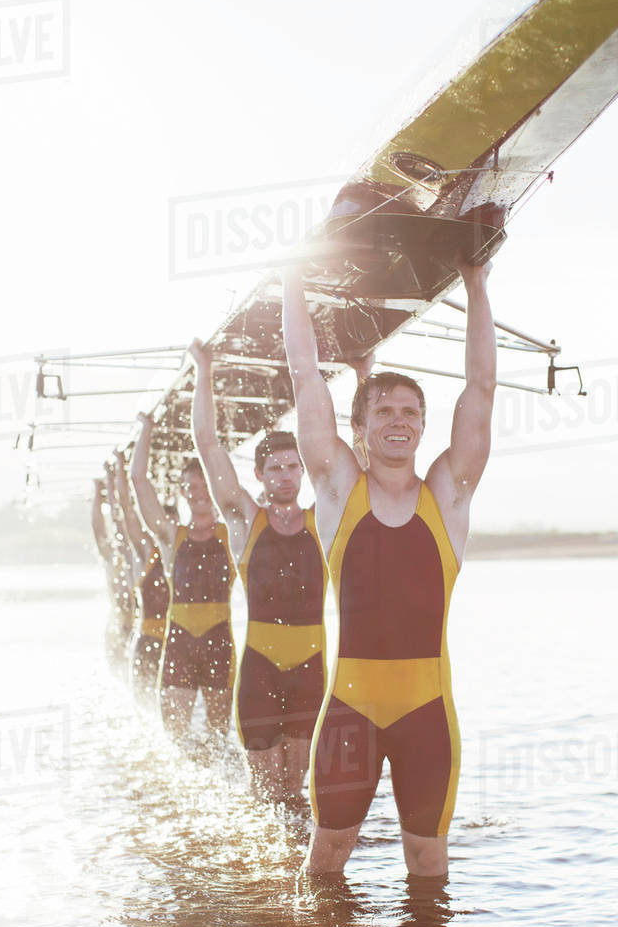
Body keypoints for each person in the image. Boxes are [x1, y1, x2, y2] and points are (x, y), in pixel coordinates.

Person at [282, 258, 496, 878]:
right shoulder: (336, 489)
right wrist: (292, 282)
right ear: (360, 428)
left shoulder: (449, 496)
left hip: (428, 713)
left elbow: (480, 389)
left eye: (410, 412)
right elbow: (304, 379)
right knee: (326, 857)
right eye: (384, 412)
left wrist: (476, 284)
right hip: (350, 712)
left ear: (425, 426)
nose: (398, 420)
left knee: (427, 861)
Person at [189, 338, 328, 801]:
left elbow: (362, 457)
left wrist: (364, 372)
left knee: (295, 790)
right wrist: (203, 370)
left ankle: (289, 872)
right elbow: (207, 445)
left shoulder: (322, 520)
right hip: (259, 671)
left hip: (311, 669)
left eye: (293, 467)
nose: (286, 475)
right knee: (265, 790)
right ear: (260, 475)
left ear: (303, 472)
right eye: (275, 468)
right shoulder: (246, 520)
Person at [130, 413, 236, 751]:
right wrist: (146, 430)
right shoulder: (169, 536)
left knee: (218, 742)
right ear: (182, 492)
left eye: (206, 485)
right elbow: (139, 481)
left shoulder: (233, 533)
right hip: (179, 647)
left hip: (220, 646)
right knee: (174, 742)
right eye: (192, 487)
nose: (200, 493)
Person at [112, 450, 170, 708]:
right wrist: (120, 471)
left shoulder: (185, 549)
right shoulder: (147, 549)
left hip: (176, 644)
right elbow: (127, 510)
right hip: (148, 641)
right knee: (144, 708)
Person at [91, 466, 136, 681]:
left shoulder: (136, 554)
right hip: (118, 624)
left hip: (140, 624)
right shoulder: (113, 556)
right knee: (120, 676)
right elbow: (100, 530)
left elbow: (121, 520)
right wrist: (99, 498)